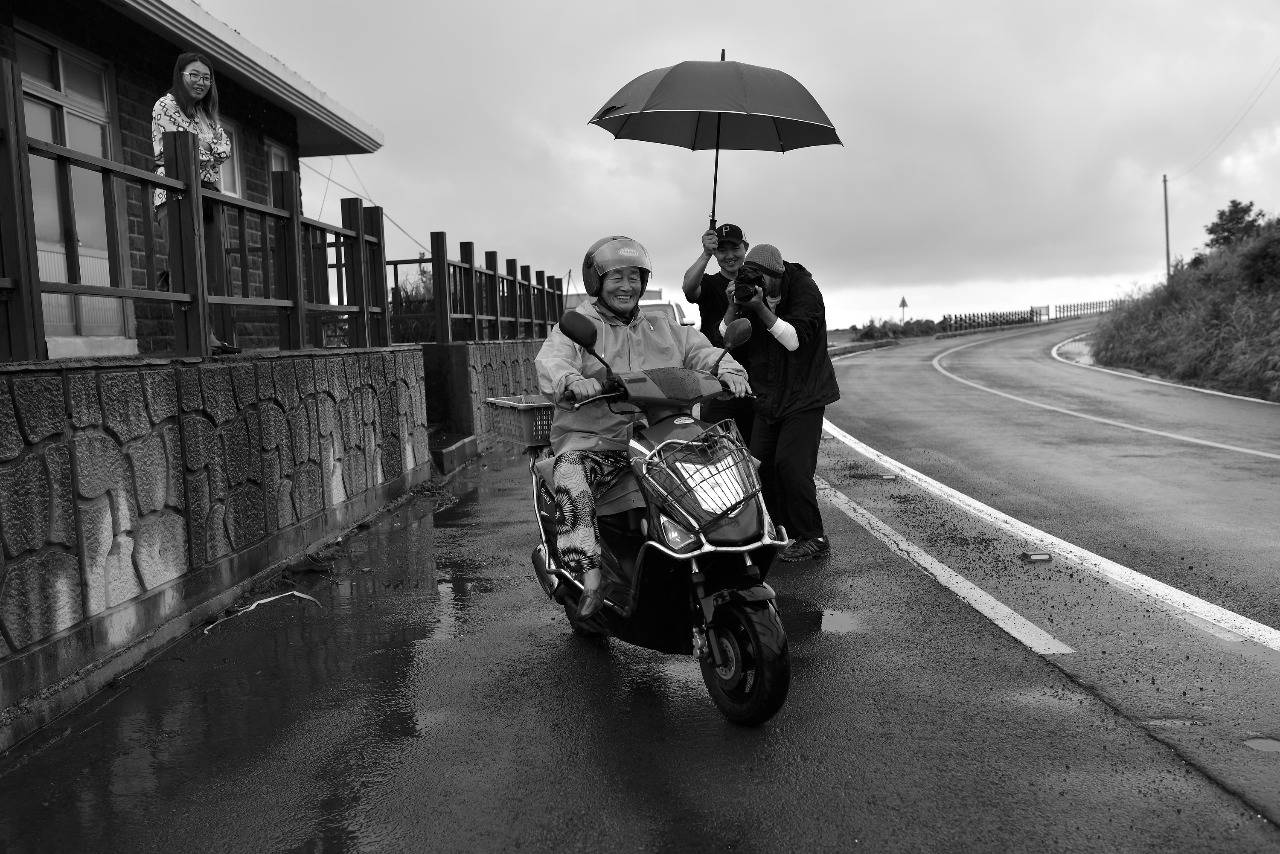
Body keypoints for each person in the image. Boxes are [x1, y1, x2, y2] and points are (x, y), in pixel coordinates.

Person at [537, 236, 752, 617]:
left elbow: (700, 349)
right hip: (598, 444)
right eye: (616, 277)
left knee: (734, 459)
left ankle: (743, 545)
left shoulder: (662, 324)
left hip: (659, 442)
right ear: (596, 282)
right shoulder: (579, 327)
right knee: (570, 472)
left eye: (634, 277)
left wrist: (728, 368)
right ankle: (588, 575)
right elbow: (554, 360)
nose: (627, 286)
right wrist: (571, 381)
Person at [721, 243, 839, 563]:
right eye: (752, 279)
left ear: (777, 274)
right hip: (769, 397)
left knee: (792, 467)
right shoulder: (750, 293)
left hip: (805, 395)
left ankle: (813, 536)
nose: (758, 285)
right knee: (757, 468)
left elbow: (794, 339)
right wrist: (734, 305)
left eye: (762, 279)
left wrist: (760, 308)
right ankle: (773, 529)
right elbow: (725, 334)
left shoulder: (804, 289)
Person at [151, 51, 239, 354]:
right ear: (180, 75)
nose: (201, 82)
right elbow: (179, 150)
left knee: (208, 269)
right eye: (194, 75)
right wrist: (206, 147)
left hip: (208, 194)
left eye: (206, 77)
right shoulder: (166, 105)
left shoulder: (205, 114)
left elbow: (225, 148)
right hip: (176, 193)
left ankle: (209, 336)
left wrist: (204, 146)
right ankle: (194, 338)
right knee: (187, 265)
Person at [681, 223, 755, 445]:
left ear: (746, 248)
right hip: (718, 383)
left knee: (757, 452)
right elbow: (688, 288)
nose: (729, 256)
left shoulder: (757, 282)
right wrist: (705, 253)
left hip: (754, 382)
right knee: (719, 450)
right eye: (722, 251)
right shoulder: (710, 284)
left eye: (735, 249)